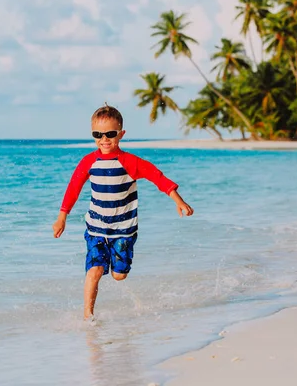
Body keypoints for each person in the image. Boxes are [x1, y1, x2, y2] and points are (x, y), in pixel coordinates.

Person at [52, 104, 193, 320]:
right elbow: (73, 188)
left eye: (110, 134)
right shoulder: (89, 162)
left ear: (121, 134)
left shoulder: (130, 162)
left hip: (124, 230)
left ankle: (116, 267)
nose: (104, 139)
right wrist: (62, 217)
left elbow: (157, 177)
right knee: (95, 270)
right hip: (96, 228)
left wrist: (178, 201)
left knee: (119, 275)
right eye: (98, 135)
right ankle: (88, 316)